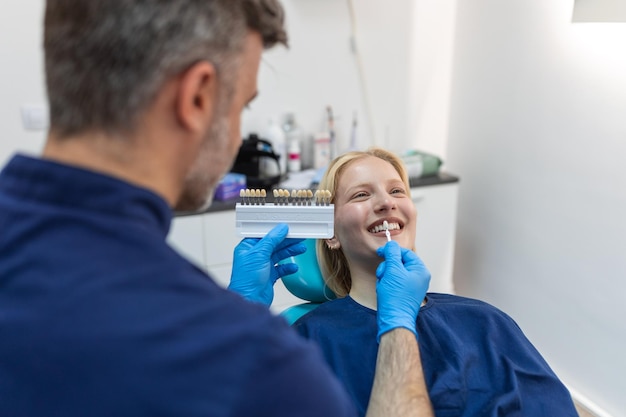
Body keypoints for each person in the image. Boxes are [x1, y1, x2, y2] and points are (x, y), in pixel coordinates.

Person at [0, 2, 432, 416]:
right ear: (197, 98)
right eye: (243, 106)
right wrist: (396, 329)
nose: (384, 202)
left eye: (397, 190)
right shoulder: (264, 372)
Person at [292, 147, 580, 417]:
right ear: (331, 232)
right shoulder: (307, 340)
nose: (386, 202)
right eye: (361, 195)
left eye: (396, 191)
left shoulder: (486, 321)